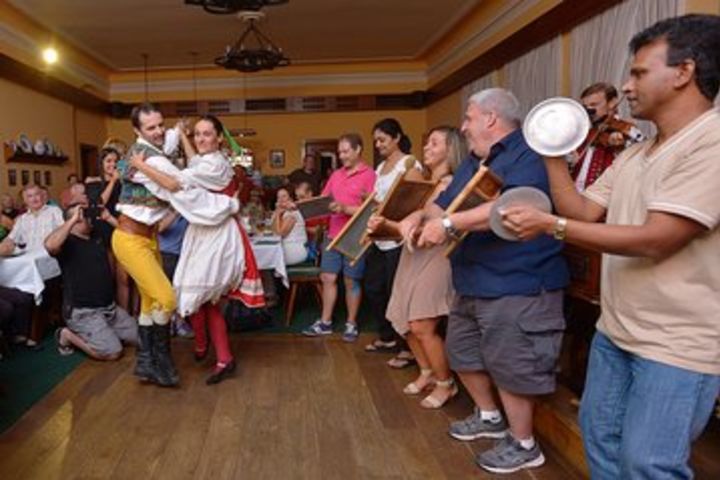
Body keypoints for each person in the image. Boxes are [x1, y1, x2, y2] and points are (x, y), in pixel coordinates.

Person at [500, 15, 720, 478]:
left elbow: (657, 238)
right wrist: (552, 153)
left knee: (648, 464)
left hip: (678, 344)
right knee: (600, 442)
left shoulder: (712, 142)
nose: (627, 84)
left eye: (639, 72)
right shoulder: (639, 152)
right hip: (617, 331)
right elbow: (582, 211)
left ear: (684, 72)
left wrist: (548, 225)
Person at [416, 88, 568, 474]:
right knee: (462, 351)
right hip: (472, 279)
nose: (463, 127)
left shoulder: (531, 153)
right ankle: (488, 417)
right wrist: (429, 215)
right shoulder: (474, 159)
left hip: (518, 282)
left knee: (511, 364)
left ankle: (524, 444)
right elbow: (445, 197)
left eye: (468, 118)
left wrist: (447, 223)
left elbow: (512, 207)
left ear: (490, 118)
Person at [128, 114, 264, 385]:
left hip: (217, 235)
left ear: (219, 138)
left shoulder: (216, 165)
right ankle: (203, 345)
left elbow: (177, 178)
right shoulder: (205, 161)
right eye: (197, 134)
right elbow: (194, 163)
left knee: (206, 297)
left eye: (207, 134)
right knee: (196, 294)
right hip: (203, 232)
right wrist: (181, 137)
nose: (201, 139)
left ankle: (223, 357)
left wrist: (140, 165)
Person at [369, 126, 465, 409]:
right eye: (427, 141)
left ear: (451, 150)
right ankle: (427, 372)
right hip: (412, 256)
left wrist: (388, 225)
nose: (427, 147)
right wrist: (383, 226)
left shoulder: (450, 185)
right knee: (403, 319)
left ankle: (446, 383)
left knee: (422, 324)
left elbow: (427, 231)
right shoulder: (424, 183)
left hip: (436, 258)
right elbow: (407, 228)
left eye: (435, 143)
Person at [301, 133, 375, 342]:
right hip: (332, 235)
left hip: (355, 237)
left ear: (358, 149)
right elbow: (325, 202)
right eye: (339, 151)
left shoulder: (370, 175)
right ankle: (325, 322)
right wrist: (302, 207)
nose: (341, 156)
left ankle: (351, 323)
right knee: (328, 278)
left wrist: (345, 208)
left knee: (351, 280)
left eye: (345, 151)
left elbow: (372, 210)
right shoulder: (336, 175)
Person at [45, 204, 137, 360]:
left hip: (109, 309)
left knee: (140, 338)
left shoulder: (97, 234)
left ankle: (104, 333)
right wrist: (73, 219)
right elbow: (50, 245)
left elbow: (131, 235)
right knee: (113, 352)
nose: (86, 218)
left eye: (85, 214)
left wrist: (108, 217)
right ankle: (66, 335)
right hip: (83, 312)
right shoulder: (66, 242)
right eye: (81, 216)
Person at [364, 118, 421, 368]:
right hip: (380, 238)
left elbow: (418, 202)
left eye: (382, 140)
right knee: (374, 288)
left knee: (397, 293)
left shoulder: (409, 164)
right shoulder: (380, 168)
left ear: (397, 138)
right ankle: (387, 337)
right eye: (376, 141)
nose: (378, 145)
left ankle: (406, 348)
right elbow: (379, 199)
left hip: (398, 238)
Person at [571, 82, 643, 190]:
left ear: (612, 103)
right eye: (586, 107)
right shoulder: (585, 134)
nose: (589, 110)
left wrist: (620, 147)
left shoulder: (627, 130)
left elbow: (640, 161)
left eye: (594, 105)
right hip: (578, 196)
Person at [157, 209, 193, 338]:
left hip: (183, 255)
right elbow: (159, 228)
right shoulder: (163, 209)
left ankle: (177, 320)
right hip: (164, 253)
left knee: (182, 288)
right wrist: (176, 211)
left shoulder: (188, 210)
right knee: (169, 290)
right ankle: (173, 321)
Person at [0, 184, 63, 256]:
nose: (34, 199)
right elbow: (11, 239)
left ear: (42, 196)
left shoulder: (54, 211)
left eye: (37, 194)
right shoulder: (22, 219)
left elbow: (63, 232)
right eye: (30, 196)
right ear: (25, 200)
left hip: (49, 255)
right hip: (28, 257)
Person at [271, 187, 308, 265]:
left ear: (290, 199)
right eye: (278, 197)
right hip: (287, 248)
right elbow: (274, 230)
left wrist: (277, 213)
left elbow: (280, 234)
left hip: (295, 250)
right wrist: (277, 213)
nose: (281, 199)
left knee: (268, 259)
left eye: (284, 196)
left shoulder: (292, 213)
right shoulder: (283, 212)